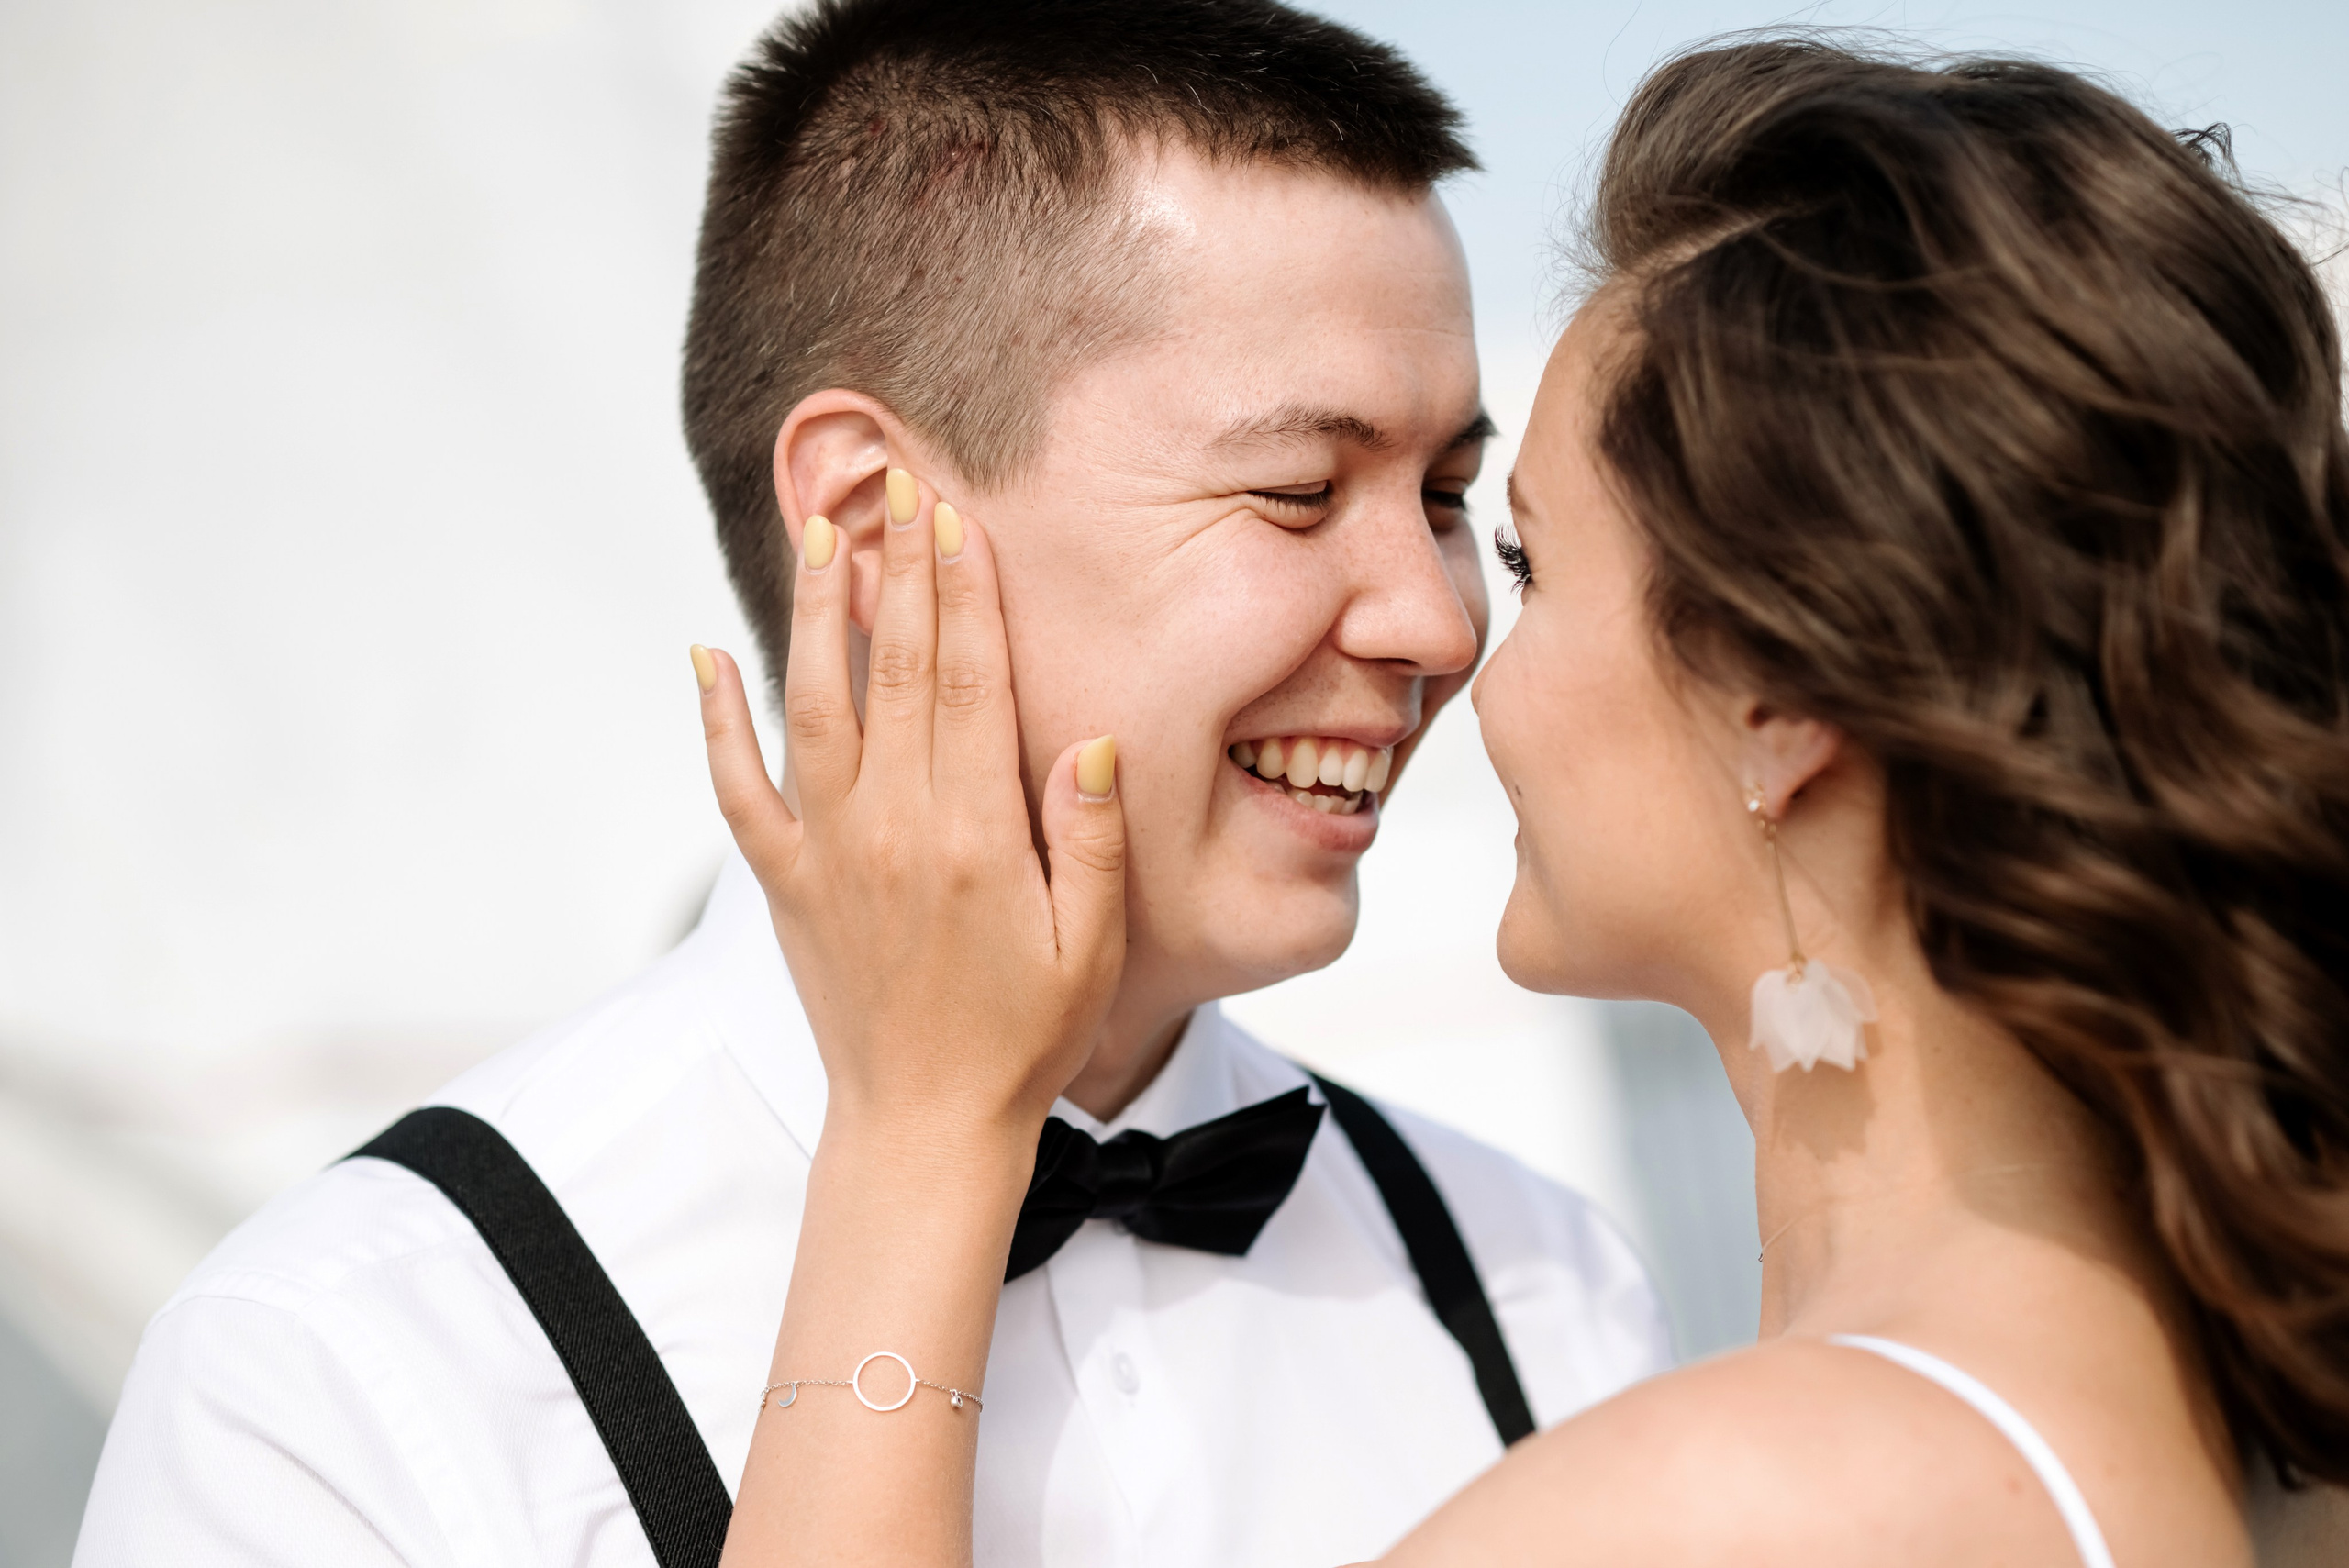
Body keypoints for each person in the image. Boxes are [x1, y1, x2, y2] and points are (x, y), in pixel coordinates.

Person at [699, 37, 2349, 1568]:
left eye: (1519, 554)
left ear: (1783, 703)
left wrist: (916, 1135)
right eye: (1297, 494)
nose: (1444, 635)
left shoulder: (1748, 1492)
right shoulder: (2116, 1398)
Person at [72, 5, 1674, 1566]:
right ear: (872, 514)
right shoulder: (340, 1381)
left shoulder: (1535, 1279)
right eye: (1299, 490)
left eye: (1449, 495)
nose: (1438, 621)